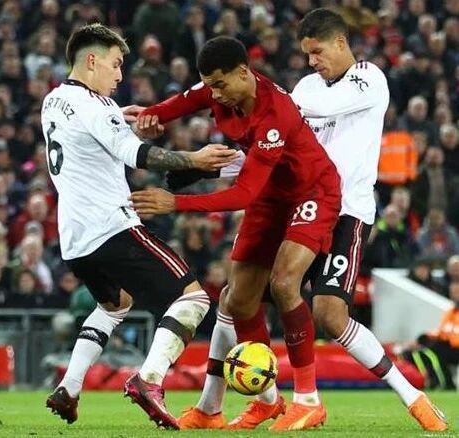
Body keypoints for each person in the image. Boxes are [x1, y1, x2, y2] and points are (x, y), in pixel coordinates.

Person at [139, 9, 448, 432]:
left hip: (346, 208)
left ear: (341, 43)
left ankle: (411, 397)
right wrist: (210, 163)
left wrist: (267, 96)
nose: (311, 61)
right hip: (294, 199)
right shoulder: (302, 87)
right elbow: (279, 151)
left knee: (330, 315)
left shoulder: (368, 78)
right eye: (306, 54)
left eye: (317, 52)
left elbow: (292, 116)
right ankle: (222, 405)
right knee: (234, 297)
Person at [131, 35, 342, 430]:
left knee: (284, 284)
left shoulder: (274, 114)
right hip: (270, 196)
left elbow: (243, 193)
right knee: (239, 300)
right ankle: (265, 401)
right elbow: (185, 101)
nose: (215, 94)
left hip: (311, 192)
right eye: (209, 85)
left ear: (244, 73)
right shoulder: (221, 88)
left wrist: (176, 203)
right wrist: (151, 114)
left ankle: (308, 399)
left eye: (220, 84)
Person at [42, 23, 238, 429]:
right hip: (112, 227)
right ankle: (149, 379)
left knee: (114, 305)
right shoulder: (96, 108)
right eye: (115, 64)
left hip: (75, 240)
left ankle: (69, 387)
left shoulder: (54, 100)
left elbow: (85, 126)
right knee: (194, 299)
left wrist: (117, 115)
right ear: (92, 60)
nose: (120, 75)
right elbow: (138, 155)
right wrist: (195, 160)